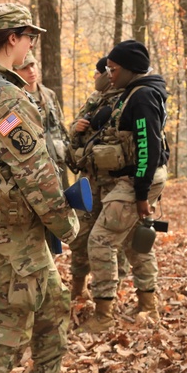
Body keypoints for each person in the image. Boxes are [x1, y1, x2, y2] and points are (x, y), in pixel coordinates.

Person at [0, 3, 81, 373]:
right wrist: (66, 223)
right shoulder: (5, 98)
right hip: (9, 223)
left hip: (8, 218)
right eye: (29, 38)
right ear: (13, 39)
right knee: (13, 312)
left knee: (54, 300)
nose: (31, 47)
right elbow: (35, 170)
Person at [82, 40, 169, 332]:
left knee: (101, 240)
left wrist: (141, 194)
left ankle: (104, 317)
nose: (109, 73)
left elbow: (148, 148)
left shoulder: (142, 96)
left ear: (130, 69)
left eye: (114, 68)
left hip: (138, 180)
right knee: (136, 242)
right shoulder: (131, 92)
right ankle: (148, 308)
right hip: (133, 179)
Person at [67, 57, 128, 300]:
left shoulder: (129, 97)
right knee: (80, 235)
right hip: (89, 179)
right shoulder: (94, 99)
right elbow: (74, 132)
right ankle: (77, 287)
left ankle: (112, 292)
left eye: (98, 73)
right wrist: (76, 128)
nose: (95, 78)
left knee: (112, 239)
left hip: (116, 181)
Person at [15, 51, 71, 184]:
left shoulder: (48, 95)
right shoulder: (16, 98)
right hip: (33, 167)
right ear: (15, 72)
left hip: (56, 160)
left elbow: (60, 125)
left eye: (33, 65)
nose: (31, 71)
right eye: (24, 68)